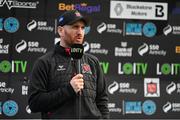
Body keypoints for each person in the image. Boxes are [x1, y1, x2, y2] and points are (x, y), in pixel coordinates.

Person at [28, 10, 109, 119]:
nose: (80, 32)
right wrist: (68, 90)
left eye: (82, 28)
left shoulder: (93, 62)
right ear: (61, 31)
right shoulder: (44, 62)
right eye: (75, 27)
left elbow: (102, 101)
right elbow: (34, 104)